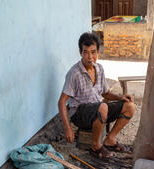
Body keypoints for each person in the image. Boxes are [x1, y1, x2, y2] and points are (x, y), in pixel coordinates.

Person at [58, 32, 136, 160]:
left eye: (93, 52)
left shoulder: (99, 68)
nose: (90, 57)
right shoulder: (74, 73)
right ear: (80, 53)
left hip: (98, 111)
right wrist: (67, 128)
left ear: (98, 52)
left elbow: (105, 93)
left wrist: (120, 97)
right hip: (80, 114)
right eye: (86, 52)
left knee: (130, 106)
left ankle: (110, 139)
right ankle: (96, 146)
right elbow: (62, 102)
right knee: (103, 107)